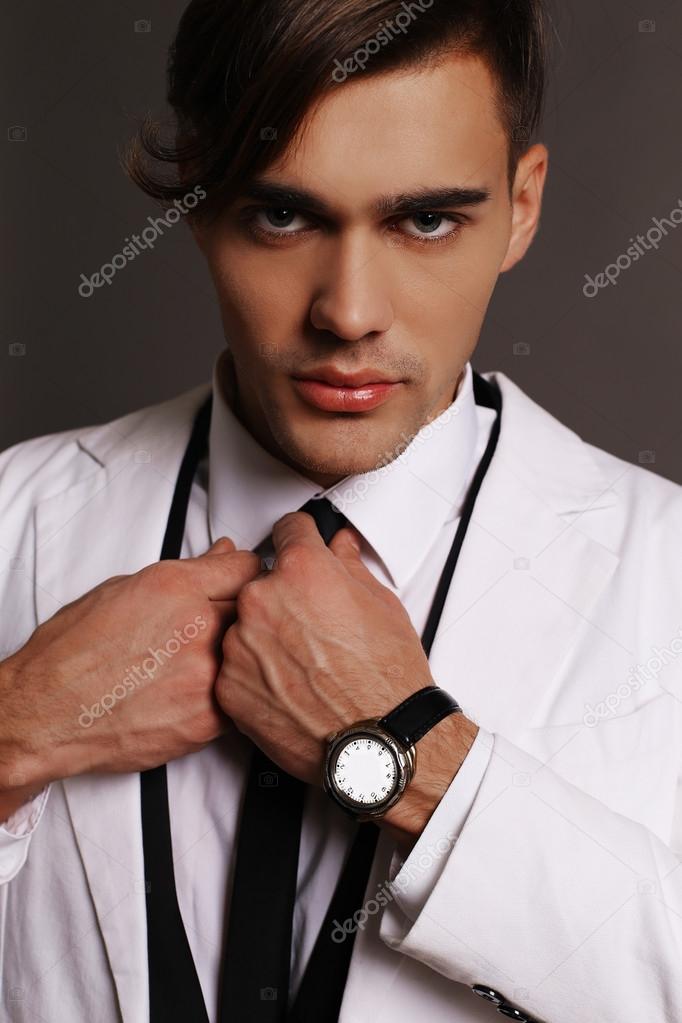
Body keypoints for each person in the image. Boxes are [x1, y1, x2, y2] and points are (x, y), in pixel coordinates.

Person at [2, 1, 682, 1020]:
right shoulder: (11, 521)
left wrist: (415, 762)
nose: (349, 312)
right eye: (283, 215)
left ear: (522, 207)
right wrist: (19, 728)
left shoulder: (664, 571)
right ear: (194, 198)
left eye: (424, 220)